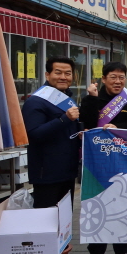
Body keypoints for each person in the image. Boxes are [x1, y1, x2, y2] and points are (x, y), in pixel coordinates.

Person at [80, 62, 127, 254]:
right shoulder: (94, 98)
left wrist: (119, 127)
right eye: (113, 77)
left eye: (121, 77)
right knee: (95, 204)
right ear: (104, 78)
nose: (118, 81)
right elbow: (86, 123)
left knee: (123, 204)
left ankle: (122, 252)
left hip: (123, 160)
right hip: (96, 162)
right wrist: (91, 99)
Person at [23, 57, 82, 210]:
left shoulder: (66, 98)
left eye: (68, 73)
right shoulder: (35, 101)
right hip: (47, 174)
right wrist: (64, 119)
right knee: (46, 221)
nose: (63, 77)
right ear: (47, 75)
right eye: (58, 73)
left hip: (67, 172)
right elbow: (34, 134)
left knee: (65, 222)